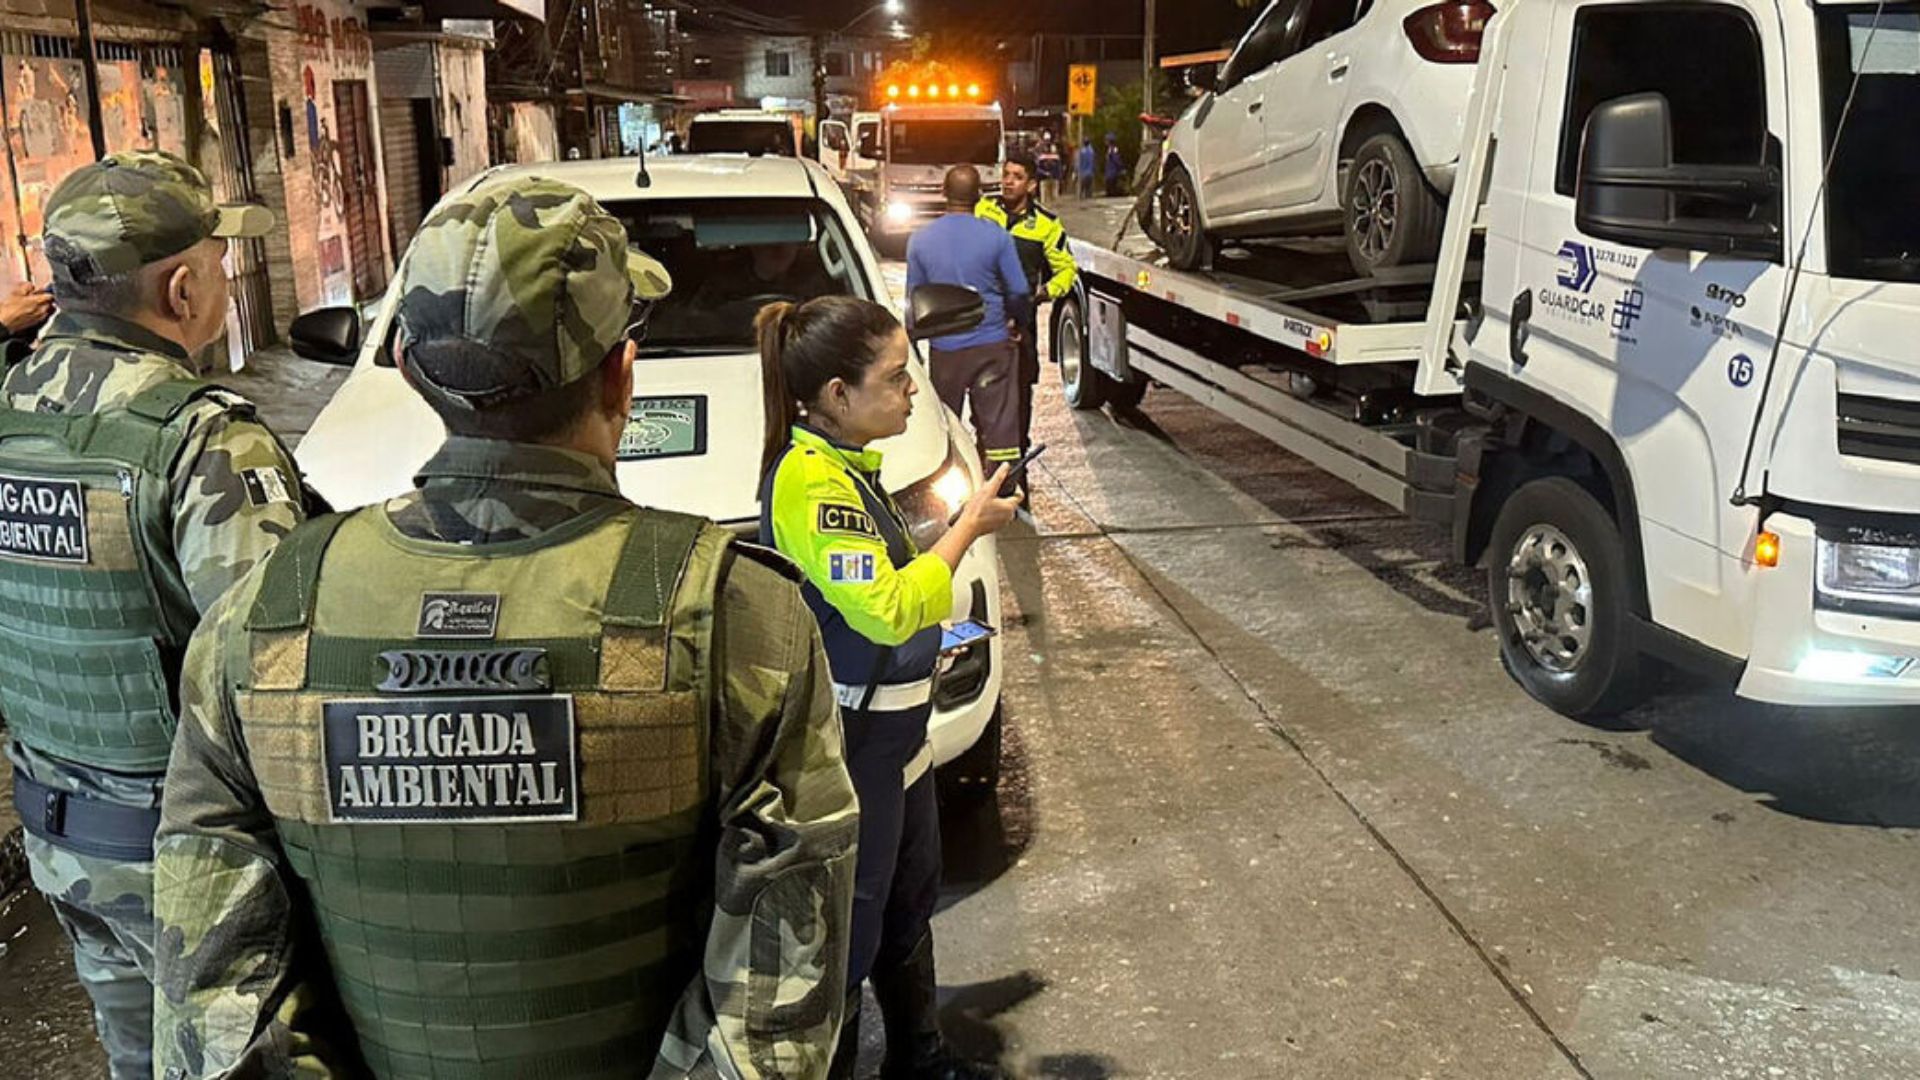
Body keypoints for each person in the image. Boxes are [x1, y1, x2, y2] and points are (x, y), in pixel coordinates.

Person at [152, 176, 862, 1079]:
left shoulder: (265, 614)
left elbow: (214, 1000)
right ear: (621, 375)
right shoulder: (737, 616)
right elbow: (775, 1003)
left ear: (410, 368)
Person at [0, 150, 293, 1079]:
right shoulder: (200, 436)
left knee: (134, 1058)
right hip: (185, 866)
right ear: (182, 288)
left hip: (56, 832)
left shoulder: (6, 407)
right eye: (218, 260)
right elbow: (274, 667)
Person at [756, 295, 1021, 1079]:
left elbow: (891, 568)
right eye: (896, 378)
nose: (913, 391)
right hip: (856, 744)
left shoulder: (851, 473)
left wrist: (955, 521)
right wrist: (966, 531)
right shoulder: (812, 485)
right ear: (838, 397)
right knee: (853, 929)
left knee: (909, 905)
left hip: (900, 736)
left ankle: (922, 1060)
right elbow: (887, 608)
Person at [905, 165, 1030, 475]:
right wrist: (1017, 323)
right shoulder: (996, 236)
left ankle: (952, 489)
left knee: (945, 424)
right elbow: (1019, 289)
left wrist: (916, 344)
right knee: (1000, 427)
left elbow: (915, 302)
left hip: (946, 350)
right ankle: (1002, 491)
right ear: (978, 195)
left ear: (943, 193)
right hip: (992, 345)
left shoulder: (920, 240)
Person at [976, 150, 1077, 495]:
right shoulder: (983, 210)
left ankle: (1016, 473)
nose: (1007, 182)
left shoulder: (1046, 226)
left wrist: (1044, 293)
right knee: (982, 398)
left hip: (1021, 328)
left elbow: (1067, 270)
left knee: (1018, 400)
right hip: (981, 324)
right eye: (1005, 174)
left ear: (1031, 185)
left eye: (1016, 176)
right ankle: (983, 461)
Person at [1035, 133, 1063, 206]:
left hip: (1052, 179)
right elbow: (1038, 168)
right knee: (1047, 200)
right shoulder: (1042, 156)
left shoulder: (1051, 156)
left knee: (1052, 199)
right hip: (1046, 179)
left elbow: (1058, 168)